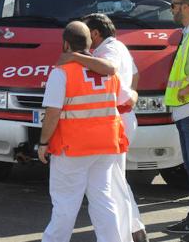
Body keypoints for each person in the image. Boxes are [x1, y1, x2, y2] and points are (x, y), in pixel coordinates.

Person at [39, 21, 137, 242]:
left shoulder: (62, 73)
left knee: (65, 204)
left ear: (65, 44)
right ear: (90, 42)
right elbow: (128, 99)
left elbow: (53, 114)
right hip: (106, 147)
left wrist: (43, 143)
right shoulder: (107, 71)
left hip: (72, 148)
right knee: (104, 199)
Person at [164, 0, 189, 241]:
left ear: (186, 7)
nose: (172, 9)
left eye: (174, 5)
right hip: (187, 113)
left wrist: (183, 92)